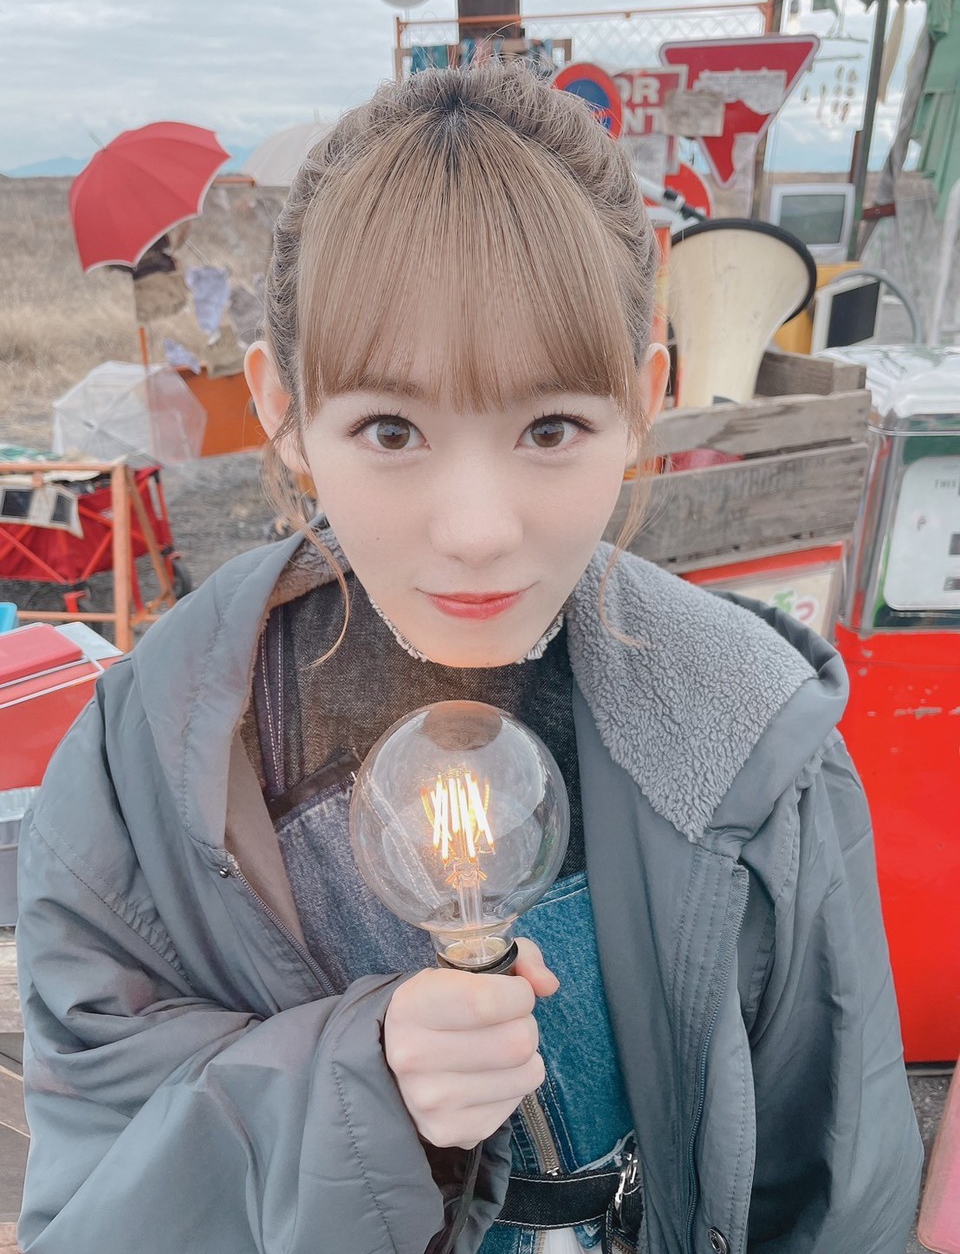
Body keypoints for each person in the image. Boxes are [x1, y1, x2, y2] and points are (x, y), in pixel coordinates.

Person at [15, 62, 922, 1254]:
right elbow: (97, 1195)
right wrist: (361, 1083)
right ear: (285, 410)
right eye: (391, 428)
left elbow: (837, 1187)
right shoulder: (149, 766)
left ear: (642, 399)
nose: (480, 529)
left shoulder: (752, 736)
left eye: (551, 426)